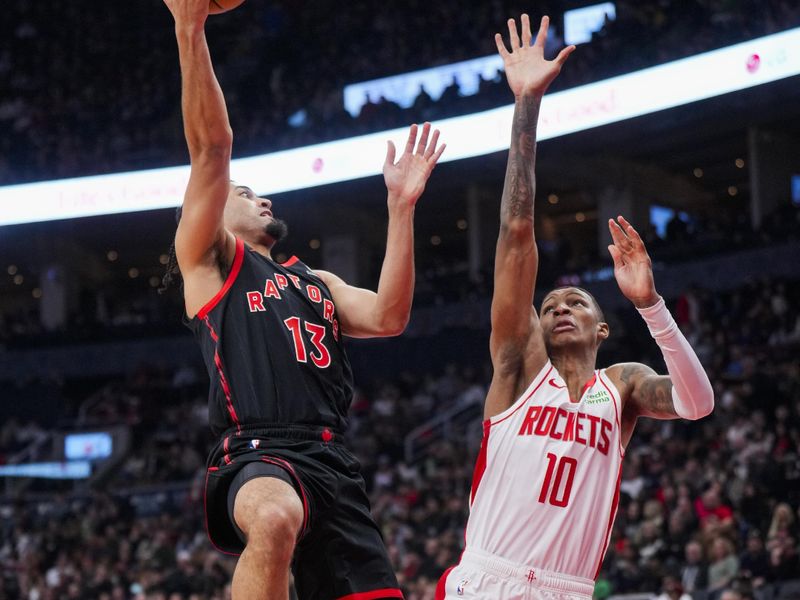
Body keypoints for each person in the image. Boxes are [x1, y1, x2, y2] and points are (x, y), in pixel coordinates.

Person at [160, 1, 445, 599]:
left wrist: (401, 210)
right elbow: (212, 150)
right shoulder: (212, 264)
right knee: (273, 518)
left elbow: (391, 316)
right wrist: (191, 28)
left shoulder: (316, 281)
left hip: (333, 462)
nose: (259, 198)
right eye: (244, 193)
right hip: (259, 452)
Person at [436, 14, 714, 600]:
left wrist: (654, 305)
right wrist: (526, 106)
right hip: (487, 579)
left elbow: (697, 404)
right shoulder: (516, 369)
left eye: (577, 300)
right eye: (551, 303)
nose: (560, 306)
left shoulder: (625, 387)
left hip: (568, 588)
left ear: (603, 327)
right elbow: (515, 232)